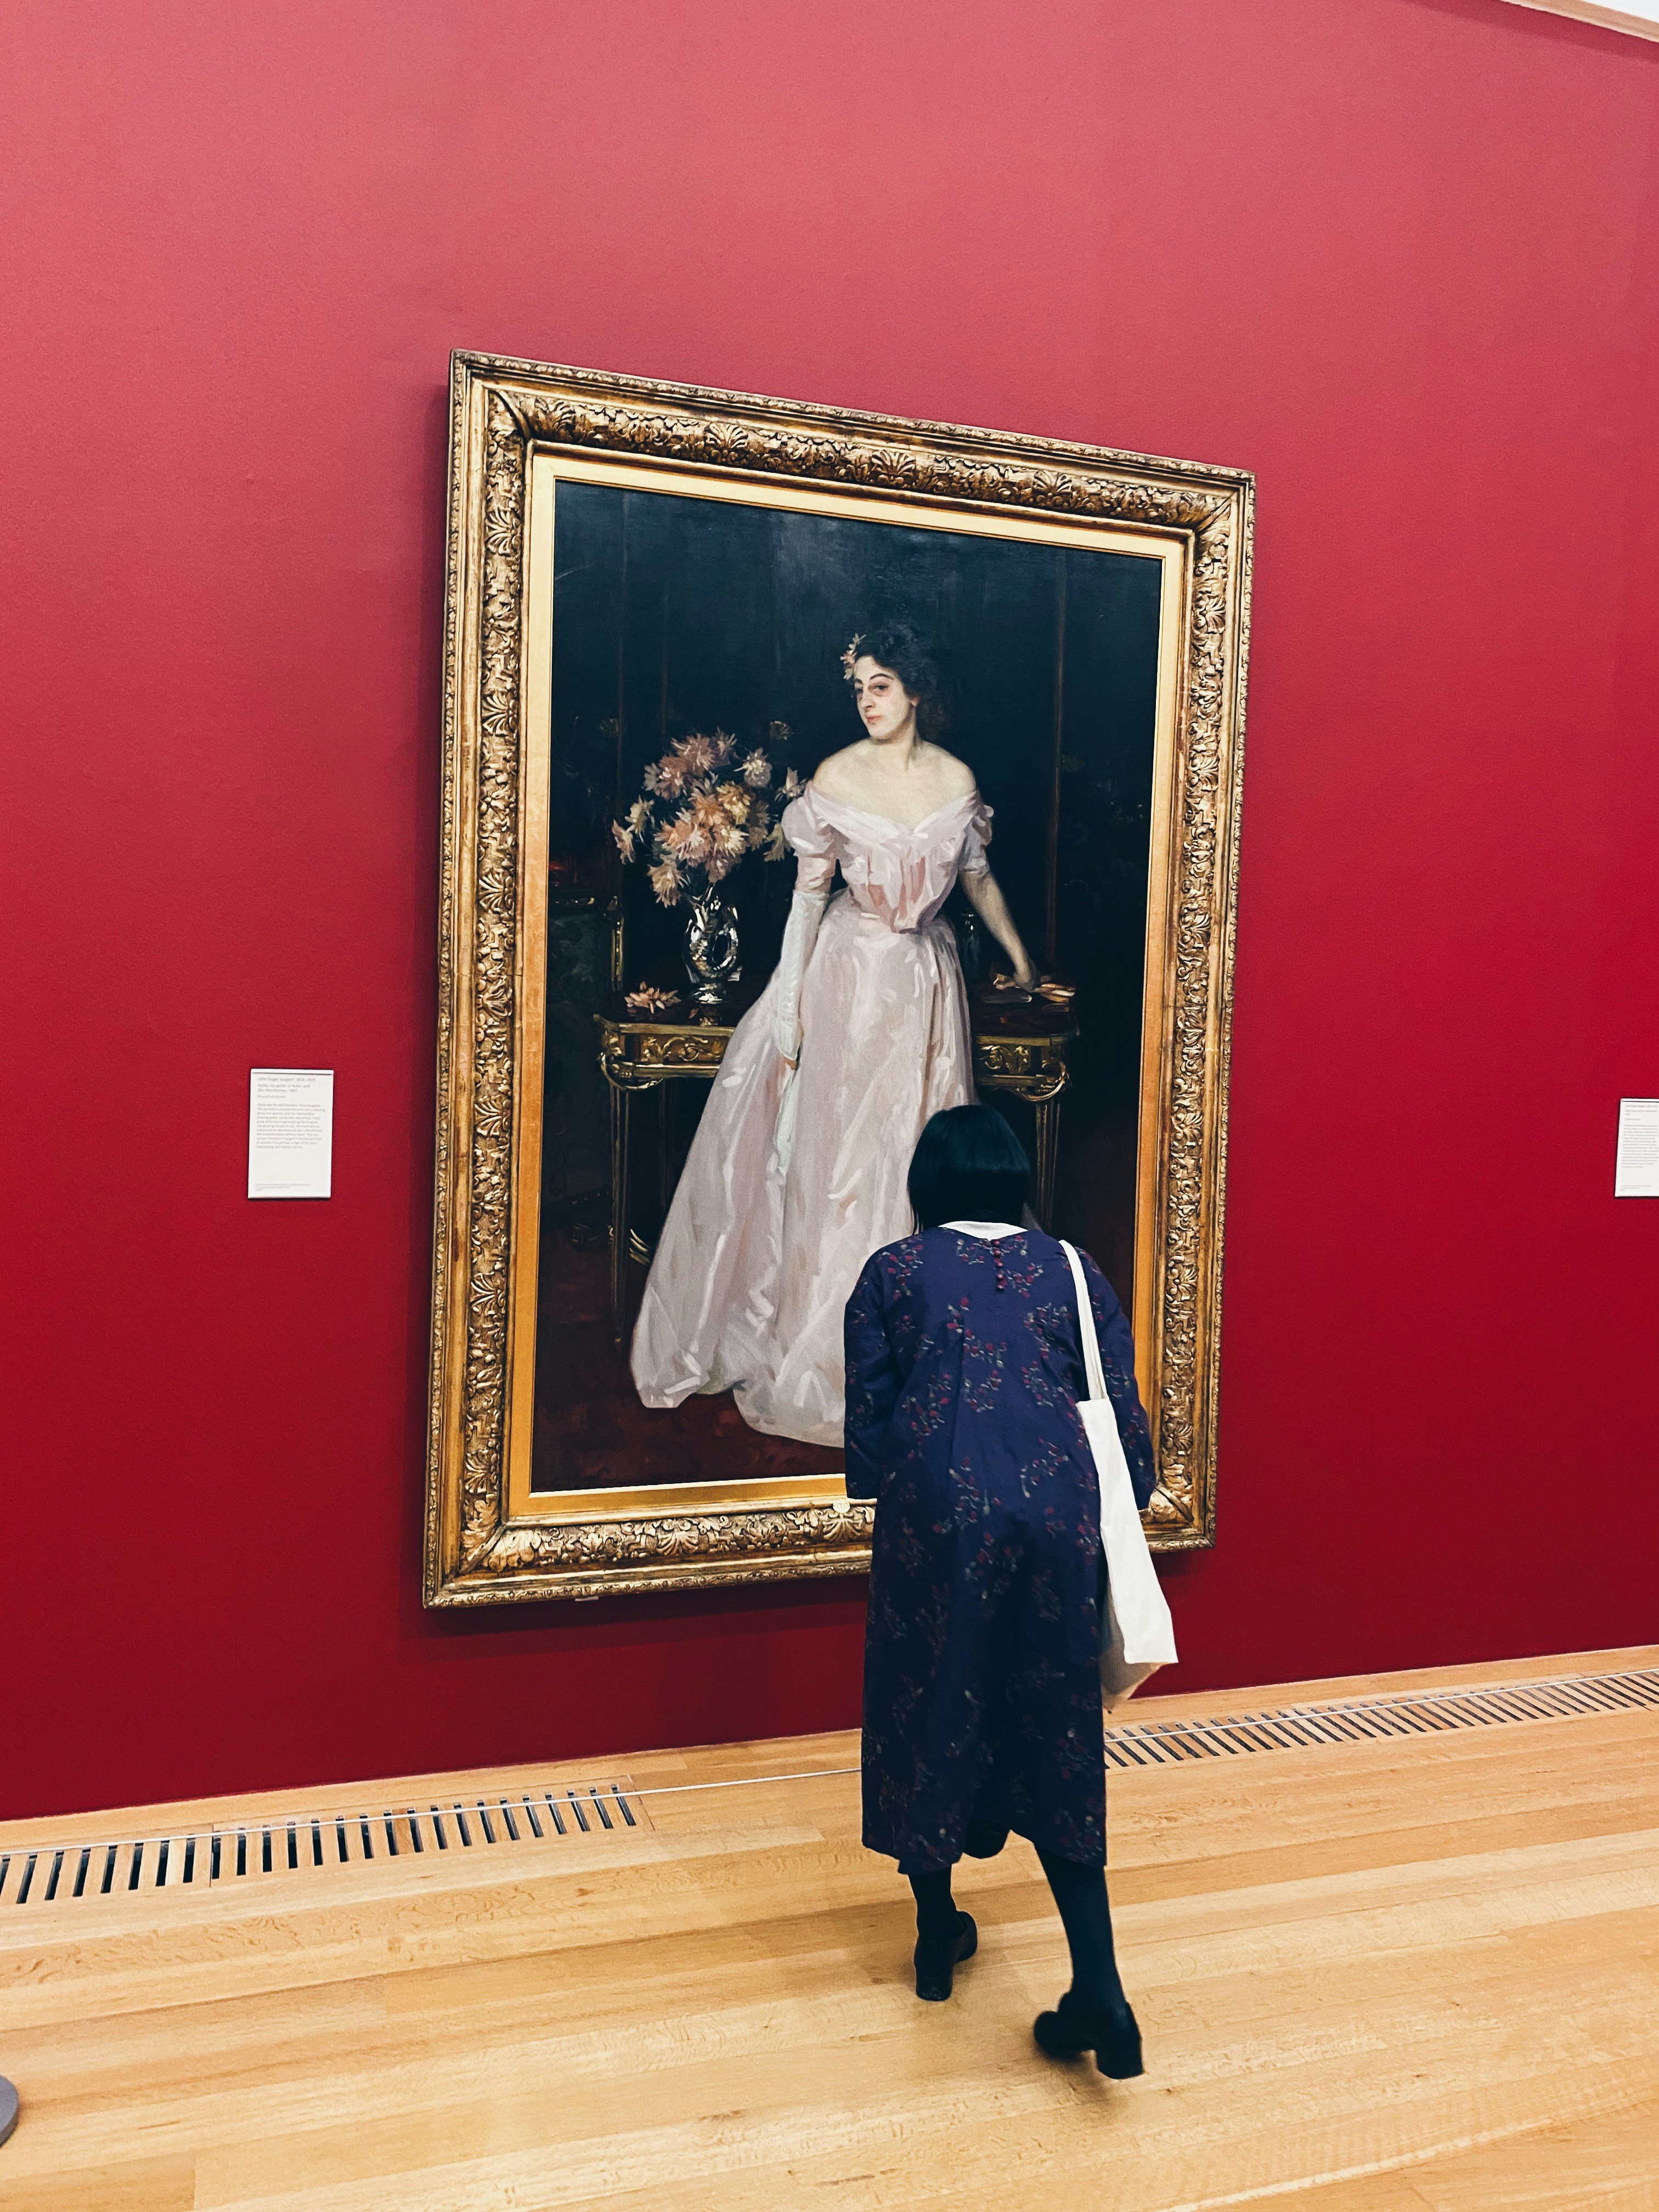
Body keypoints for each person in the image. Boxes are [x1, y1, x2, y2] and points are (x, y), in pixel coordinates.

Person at [631, 624, 1039, 1446]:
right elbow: (808, 901)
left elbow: (978, 879)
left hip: (926, 983)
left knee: (921, 1153)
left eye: (881, 685)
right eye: (858, 688)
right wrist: (790, 1007)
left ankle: (924, 1343)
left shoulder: (956, 780)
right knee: (844, 1161)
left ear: (915, 690)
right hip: (849, 979)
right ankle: (836, 1349)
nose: (867, 700)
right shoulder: (834, 777)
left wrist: (1022, 960)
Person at [843, 1104, 1156, 2078]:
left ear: (928, 1184)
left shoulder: (893, 1272)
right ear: (1014, 1177)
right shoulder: (1071, 1266)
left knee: (927, 1701)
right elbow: (1124, 1424)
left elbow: (868, 1439)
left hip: (936, 1515)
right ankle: (1100, 1985)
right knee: (1059, 1725)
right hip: (1057, 1514)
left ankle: (937, 1936)